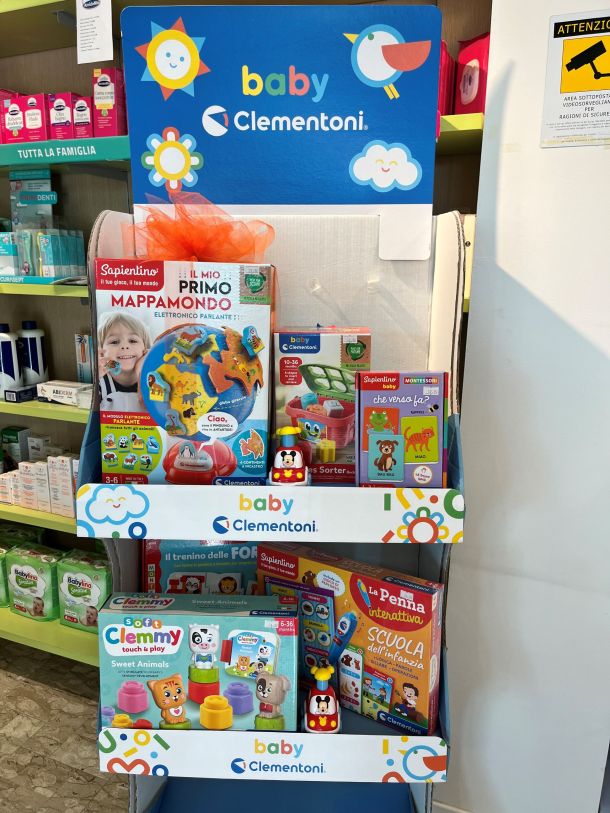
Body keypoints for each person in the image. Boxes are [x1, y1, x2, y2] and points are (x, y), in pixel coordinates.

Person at [98, 312, 150, 412]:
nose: (125, 346)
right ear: (101, 352)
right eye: (114, 342)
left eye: (133, 341)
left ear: (146, 349)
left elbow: (149, 407)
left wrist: (141, 372)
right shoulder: (99, 381)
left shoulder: (155, 378)